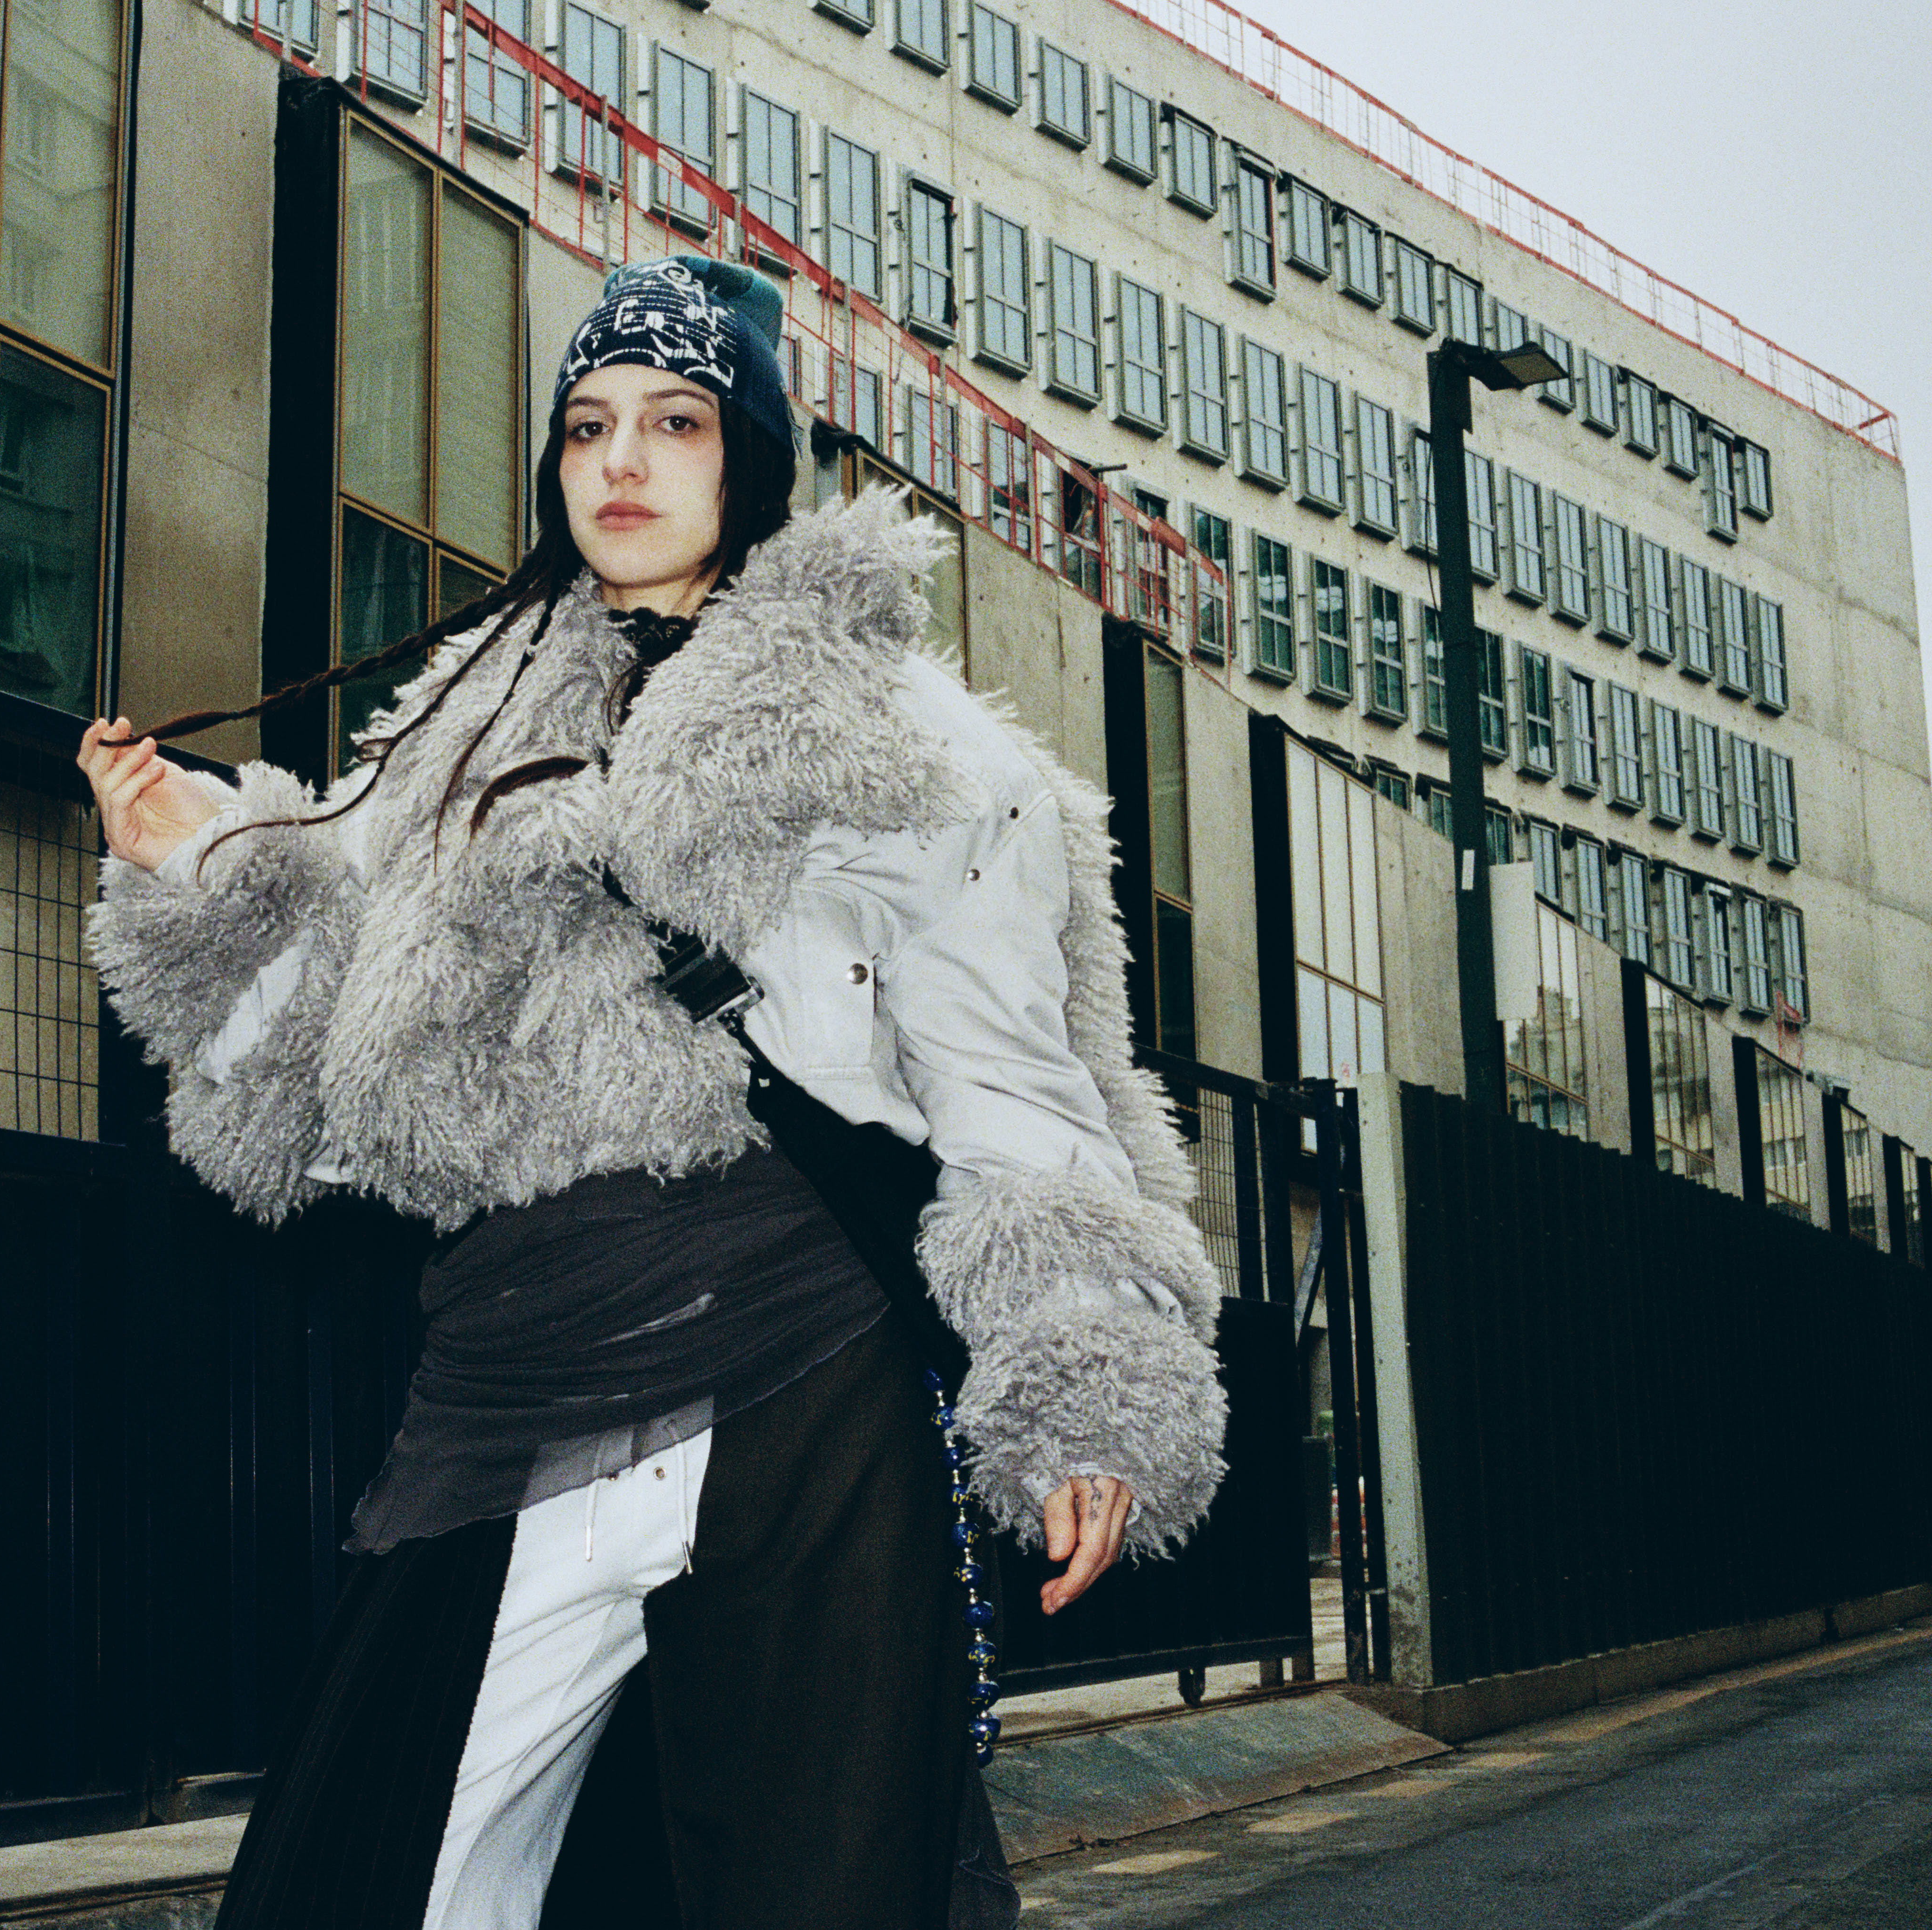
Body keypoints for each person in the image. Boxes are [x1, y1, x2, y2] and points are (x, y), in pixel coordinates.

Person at [76, 257, 1225, 1930]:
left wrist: (1085, 1385)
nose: (619, 461)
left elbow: (1014, 1089)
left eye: (675, 422)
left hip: (798, 1366)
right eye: (587, 425)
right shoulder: (457, 727)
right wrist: (198, 871)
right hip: (512, 1358)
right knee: (379, 1864)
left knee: (815, 1884)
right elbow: (320, 1097)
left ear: (747, 457)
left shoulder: (903, 739)